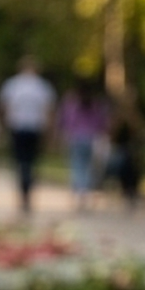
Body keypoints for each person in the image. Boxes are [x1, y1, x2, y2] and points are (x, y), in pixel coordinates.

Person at [0, 57, 56, 212]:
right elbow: (48, 110)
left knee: (21, 162)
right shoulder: (43, 86)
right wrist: (50, 133)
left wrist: (4, 127)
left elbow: (5, 107)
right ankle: (27, 190)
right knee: (30, 162)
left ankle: (24, 190)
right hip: (35, 128)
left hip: (18, 127)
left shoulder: (12, 85)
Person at [57, 75, 109, 211]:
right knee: (87, 168)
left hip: (75, 139)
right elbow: (102, 124)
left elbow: (65, 122)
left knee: (77, 167)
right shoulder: (96, 104)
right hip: (91, 139)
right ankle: (84, 193)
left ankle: (79, 194)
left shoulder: (72, 104)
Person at [105, 91, 144, 208]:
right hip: (122, 148)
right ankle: (127, 193)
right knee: (124, 172)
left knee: (132, 173)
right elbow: (113, 133)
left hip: (131, 149)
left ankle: (131, 194)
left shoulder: (134, 116)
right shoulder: (119, 116)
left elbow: (138, 132)